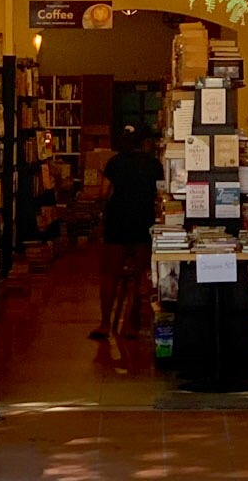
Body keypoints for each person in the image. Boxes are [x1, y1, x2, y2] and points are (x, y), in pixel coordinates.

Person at [88, 125, 164, 340]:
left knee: (109, 274)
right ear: (146, 143)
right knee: (140, 275)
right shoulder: (154, 165)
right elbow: (160, 194)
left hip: (117, 223)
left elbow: (103, 192)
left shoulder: (115, 162)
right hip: (143, 224)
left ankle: (104, 324)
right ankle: (131, 325)